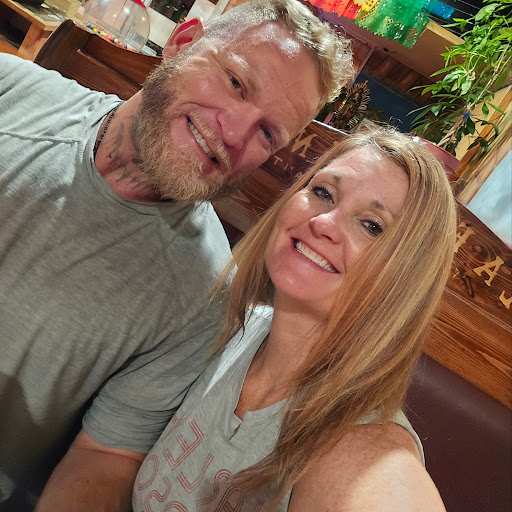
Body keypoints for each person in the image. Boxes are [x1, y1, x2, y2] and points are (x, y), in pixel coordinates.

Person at [0, 0, 353, 507]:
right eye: (236, 83)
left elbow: (105, 454)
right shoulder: (11, 88)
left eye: (267, 133)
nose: (234, 133)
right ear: (182, 42)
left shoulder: (205, 293)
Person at [107, 123, 455, 511]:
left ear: (402, 283)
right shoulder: (223, 324)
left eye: (372, 226)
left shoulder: (366, 449)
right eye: (323, 193)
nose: (323, 223)